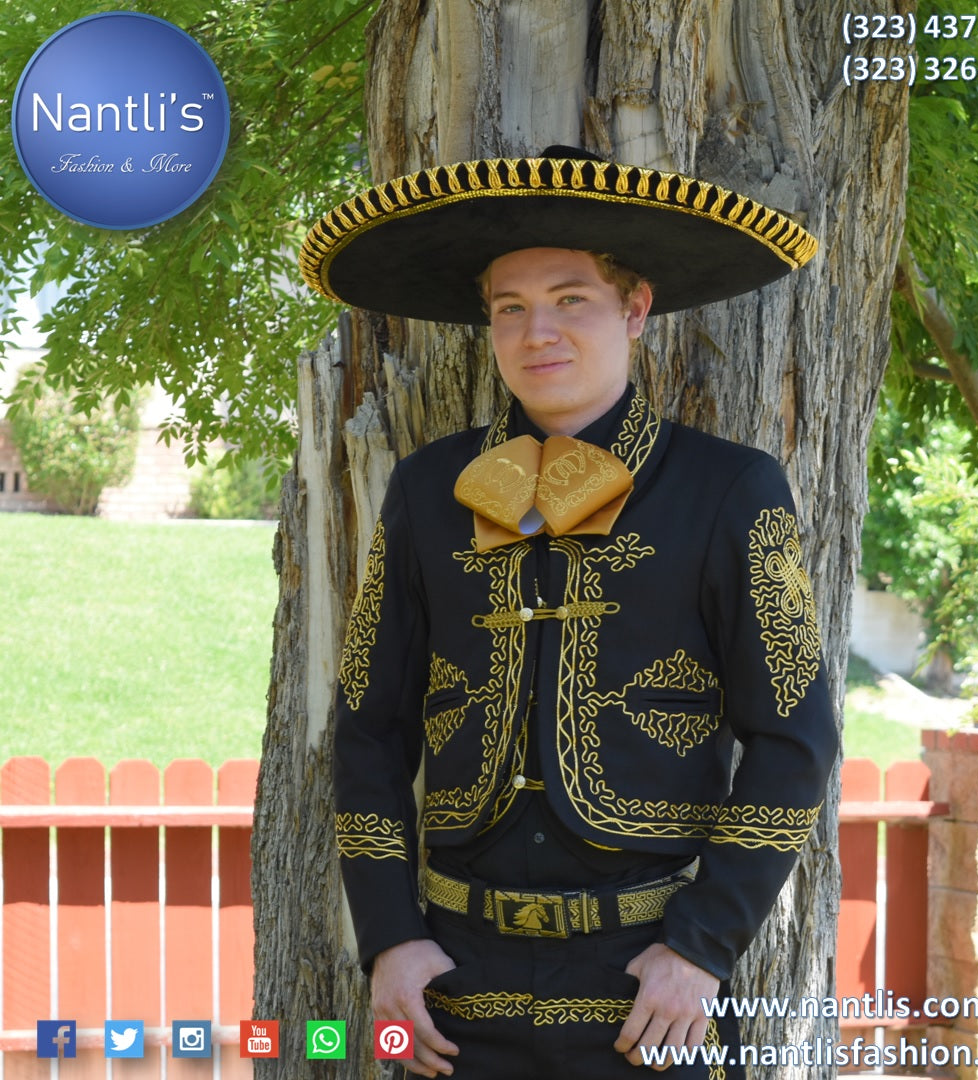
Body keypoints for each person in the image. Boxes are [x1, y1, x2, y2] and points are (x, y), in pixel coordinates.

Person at [300, 147, 838, 1079]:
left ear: (635, 309)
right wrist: (389, 935)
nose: (536, 332)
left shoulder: (731, 489)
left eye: (570, 299)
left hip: (647, 986)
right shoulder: (427, 490)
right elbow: (368, 727)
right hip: (452, 987)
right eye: (510, 308)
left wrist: (702, 947)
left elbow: (797, 738)